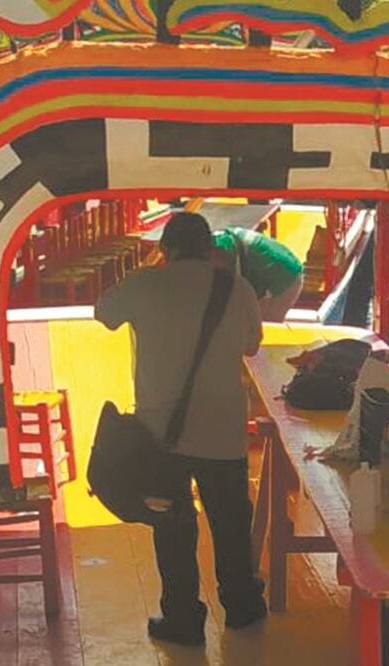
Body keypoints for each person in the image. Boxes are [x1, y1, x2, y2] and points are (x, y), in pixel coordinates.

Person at [94, 212, 266, 646]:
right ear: (210, 251)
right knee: (228, 522)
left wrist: (155, 273)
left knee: (172, 527)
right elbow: (251, 343)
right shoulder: (237, 288)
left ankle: (184, 620)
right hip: (223, 430)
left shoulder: (144, 283)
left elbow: (104, 313)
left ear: (165, 249)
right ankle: (242, 606)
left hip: (160, 436)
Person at [213, 226, 304, 322]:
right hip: (274, 265)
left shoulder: (221, 252)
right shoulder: (216, 245)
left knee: (263, 327)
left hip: (285, 276)